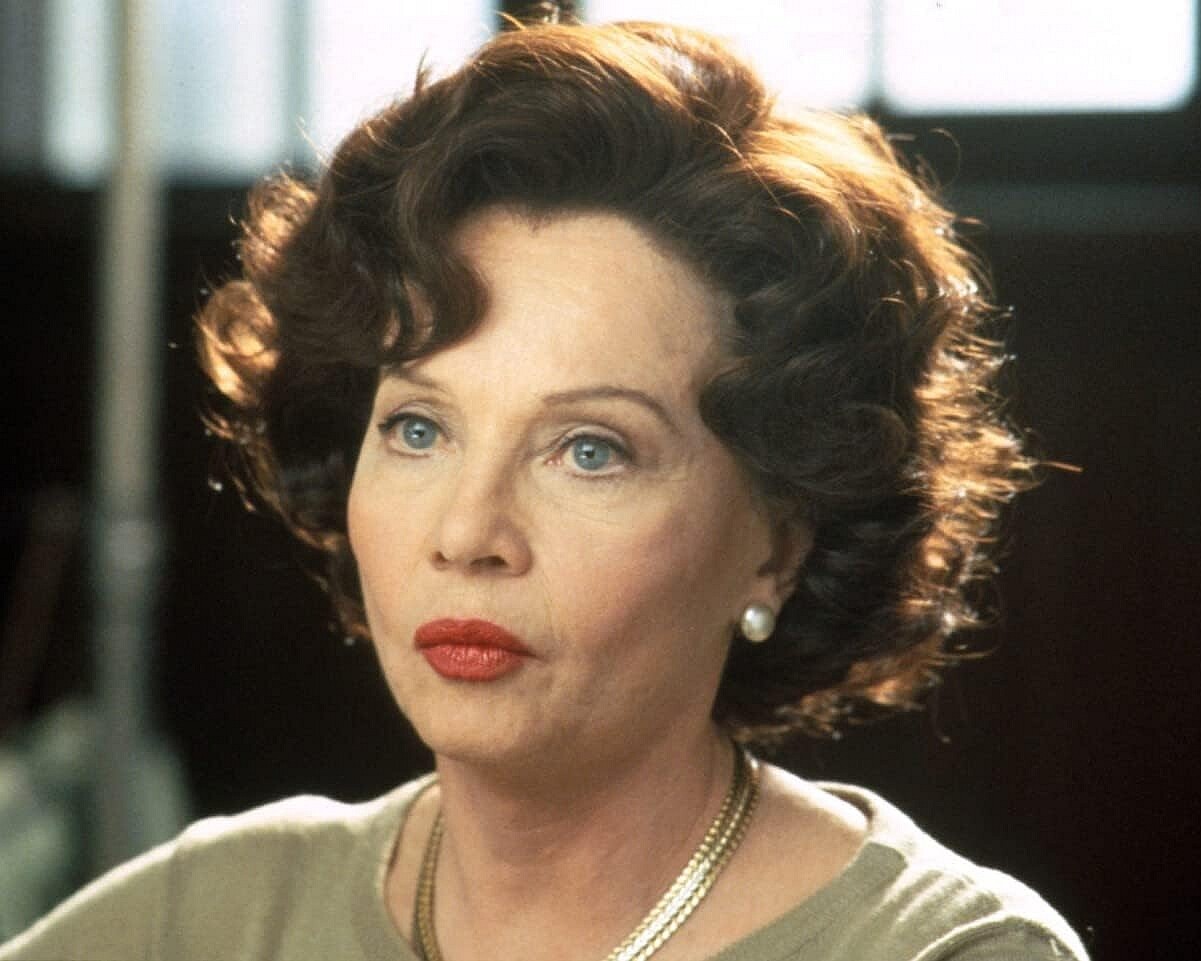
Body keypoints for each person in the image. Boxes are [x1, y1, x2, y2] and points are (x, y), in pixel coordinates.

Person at [1, 17, 1088, 961]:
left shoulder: (942, 948)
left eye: (589, 450)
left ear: (779, 544)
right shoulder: (212, 915)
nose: (468, 532)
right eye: (419, 428)